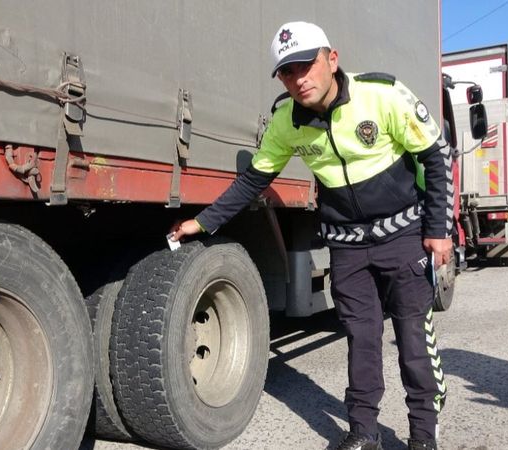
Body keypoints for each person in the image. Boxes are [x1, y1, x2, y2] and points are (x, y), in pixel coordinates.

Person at [170, 21, 450, 450]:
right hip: (348, 247)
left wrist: (438, 230)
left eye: (306, 65)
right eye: (287, 71)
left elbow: (435, 157)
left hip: (402, 237)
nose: (299, 78)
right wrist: (203, 222)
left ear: (331, 59)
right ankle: (363, 432)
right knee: (362, 338)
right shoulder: (287, 121)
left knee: (413, 336)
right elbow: (253, 180)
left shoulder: (383, 95)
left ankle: (424, 436)